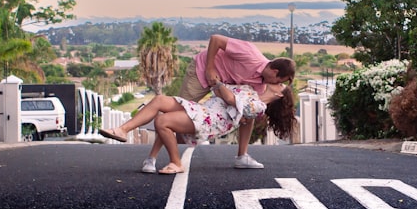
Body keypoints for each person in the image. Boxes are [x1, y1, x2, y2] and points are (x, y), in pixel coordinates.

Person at [99, 82, 295, 174]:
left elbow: (227, 96)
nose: (278, 83)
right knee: (159, 100)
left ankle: (176, 163)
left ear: (279, 95)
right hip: (202, 109)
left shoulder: (258, 107)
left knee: (163, 122)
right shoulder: (250, 90)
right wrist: (220, 85)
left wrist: (219, 85)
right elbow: (222, 90)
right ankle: (123, 130)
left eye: (282, 85)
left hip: (209, 120)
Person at [180, 34, 296, 169]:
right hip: (202, 71)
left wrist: (241, 114)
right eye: (279, 81)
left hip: (221, 85)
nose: (277, 84)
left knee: (249, 115)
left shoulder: (260, 85)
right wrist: (210, 68)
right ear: (275, 72)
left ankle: (242, 156)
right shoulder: (249, 54)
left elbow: (246, 108)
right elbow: (216, 39)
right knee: (180, 111)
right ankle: (175, 157)